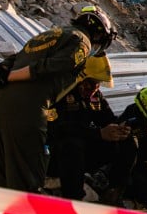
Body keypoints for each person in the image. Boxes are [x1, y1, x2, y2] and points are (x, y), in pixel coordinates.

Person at [0, 4, 117, 214]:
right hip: (26, 104)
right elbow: (51, 67)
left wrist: (5, 74)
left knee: (4, 171)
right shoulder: (81, 41)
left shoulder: (52, 34)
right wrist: (11, 77)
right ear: (99, 34)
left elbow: (13, 60)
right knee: (27, 173)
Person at [47, 55, 136, 204]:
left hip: (82, 152)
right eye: (91, 83)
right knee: (72, 144)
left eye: (98, 84)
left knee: (128, 141)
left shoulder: (95, 97)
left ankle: (114, 190)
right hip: (55, 154)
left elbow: (108, 119)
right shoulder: (62, 92)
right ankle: (74, 199)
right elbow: (58, 128)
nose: (94, 88)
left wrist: (120, 129)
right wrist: (98, 134)